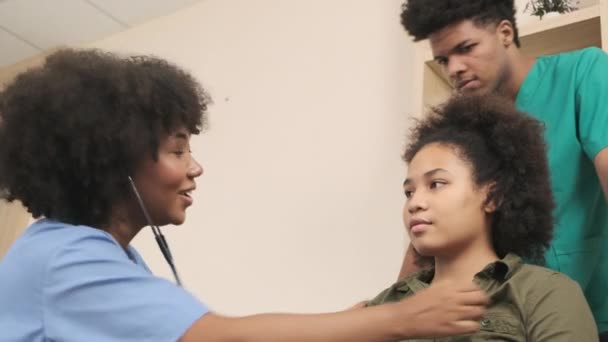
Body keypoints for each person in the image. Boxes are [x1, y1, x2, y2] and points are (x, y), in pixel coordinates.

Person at [0, 48, 489, 341]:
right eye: (177, 149)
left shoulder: (107, 257)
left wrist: (380, 305)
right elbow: (219, 336)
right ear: (113, 159)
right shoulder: (63, 259)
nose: (196, 167)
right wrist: (400, 318)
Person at [396, 0, 608, 337]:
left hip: (593, 310)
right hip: (505, 319)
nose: (454, 69)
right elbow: (433, 222)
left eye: (466, 48)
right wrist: (397, 311)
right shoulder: (466, 126)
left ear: (505, 32)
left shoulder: (583, 73)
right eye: (443, 60)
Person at [367, 94, 598, 341]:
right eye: (408, 192)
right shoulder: (387, 305)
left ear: (492, 196)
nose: (415, 203)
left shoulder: (545, 293)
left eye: (436, 184)